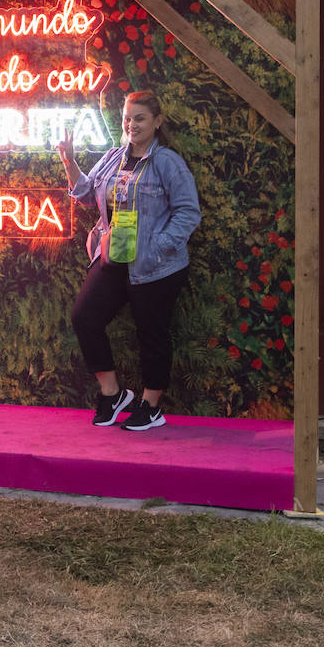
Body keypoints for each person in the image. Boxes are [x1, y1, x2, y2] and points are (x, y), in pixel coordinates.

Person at [57, 90, 201, 431]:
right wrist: (69, 161)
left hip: (157, 266)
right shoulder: (112, 157)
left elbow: (188, 212)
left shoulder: (168, 162)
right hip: (113, 257)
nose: (131, 125)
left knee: (152, 333)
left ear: (157, 122)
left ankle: (151, 405)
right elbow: (86, 194)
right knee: (85, 317)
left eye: (139, 118)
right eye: (127, 118)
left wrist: (156, 247)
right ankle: (113, 393)